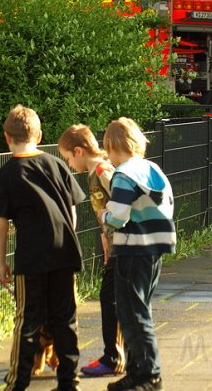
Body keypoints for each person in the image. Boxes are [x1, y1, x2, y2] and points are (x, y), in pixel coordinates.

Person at [0, 105, 85, 391]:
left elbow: (1, 222)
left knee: (27, 319)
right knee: (65, 318)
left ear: (7, 137)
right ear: (40, 135)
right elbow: (72, 212)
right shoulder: (58, 164)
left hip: (31, 257)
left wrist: (1, 259)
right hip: (64, 251)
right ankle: (69, 381)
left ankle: (18, 382)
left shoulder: (7, 173)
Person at [100, 118, 176, 391]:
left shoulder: (124, 174)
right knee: (141, 309)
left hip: (132, 248)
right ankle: (136, 370)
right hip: (156, 247)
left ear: (111, 145)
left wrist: (104, 214)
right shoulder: (152, 168)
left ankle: (148, 375)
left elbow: (119, 216)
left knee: (132, 313)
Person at [58, 125, 125, 378]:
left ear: (78, 150)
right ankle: (121, 354)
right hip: (115, 242)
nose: (68, 162)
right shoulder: (93, 172)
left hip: (124, 242)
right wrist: (104, 239)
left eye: (67, 157)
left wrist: (115, 235)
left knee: (110, 298)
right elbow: (102, 210)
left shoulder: (102, 170)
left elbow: (121, 200)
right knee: (114, 298)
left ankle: (113, 356)